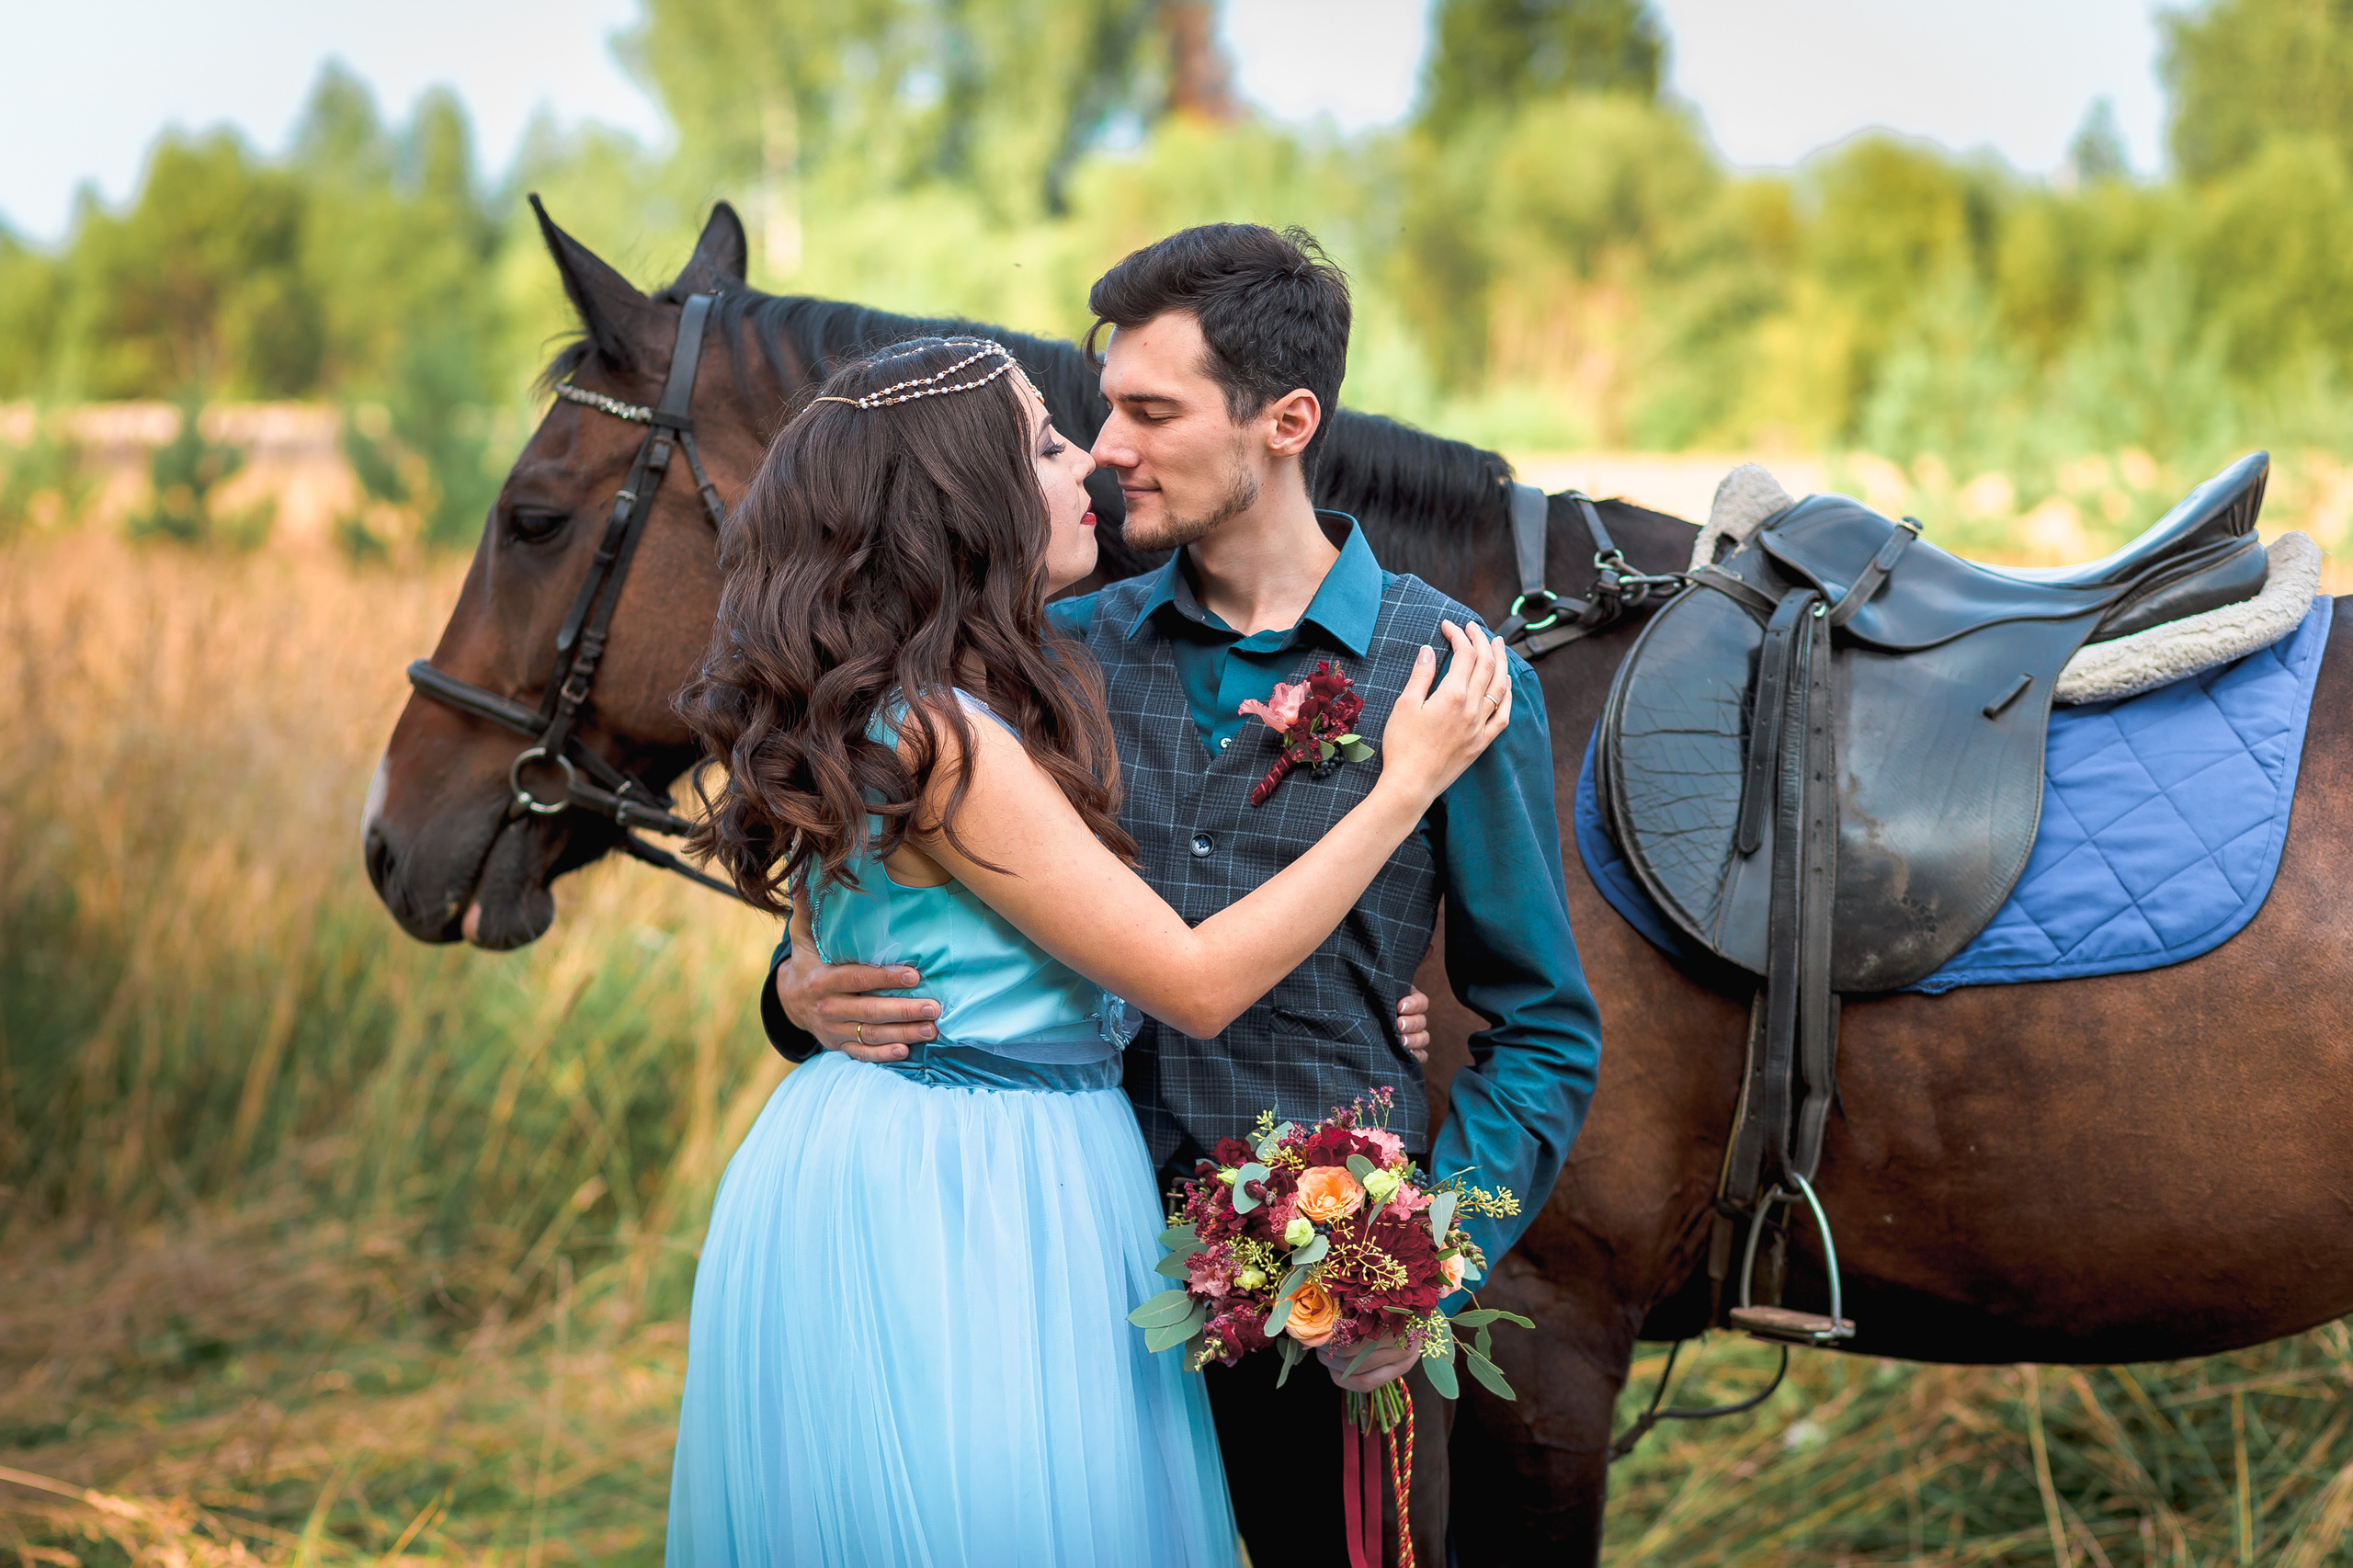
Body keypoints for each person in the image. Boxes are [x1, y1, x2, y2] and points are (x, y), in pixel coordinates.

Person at [767, 226, 1605, 1564]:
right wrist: (795, 985)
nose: (1107, 446)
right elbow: (913, 882)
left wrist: (1426, 1256)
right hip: (1063, 1290)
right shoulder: (1056, 654)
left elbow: (1547, 1028)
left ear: (1286, 420)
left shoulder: (1453, 679)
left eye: (1150, 412)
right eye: (1101, 409)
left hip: (1327, 1319)